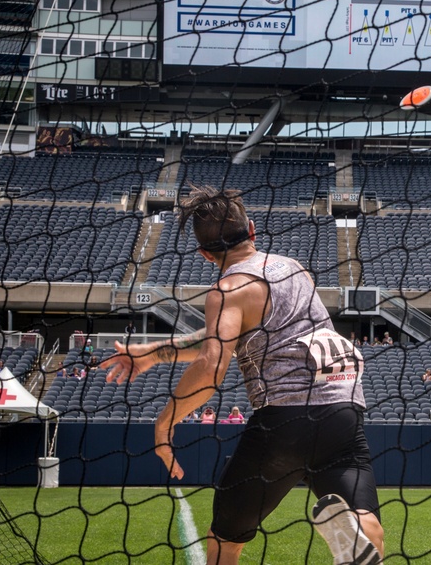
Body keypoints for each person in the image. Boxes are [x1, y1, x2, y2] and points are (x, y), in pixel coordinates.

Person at [100, 185, 383, 565]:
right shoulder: (295, 269)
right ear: (251, 228)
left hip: (284, 423)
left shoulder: (228, 289)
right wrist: (155, 353)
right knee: (366, 519)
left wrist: (165, 422)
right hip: (343, 412)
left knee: (226, 539)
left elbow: (213, 365)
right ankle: (357, 536)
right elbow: (224, 337)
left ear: (204, 254)